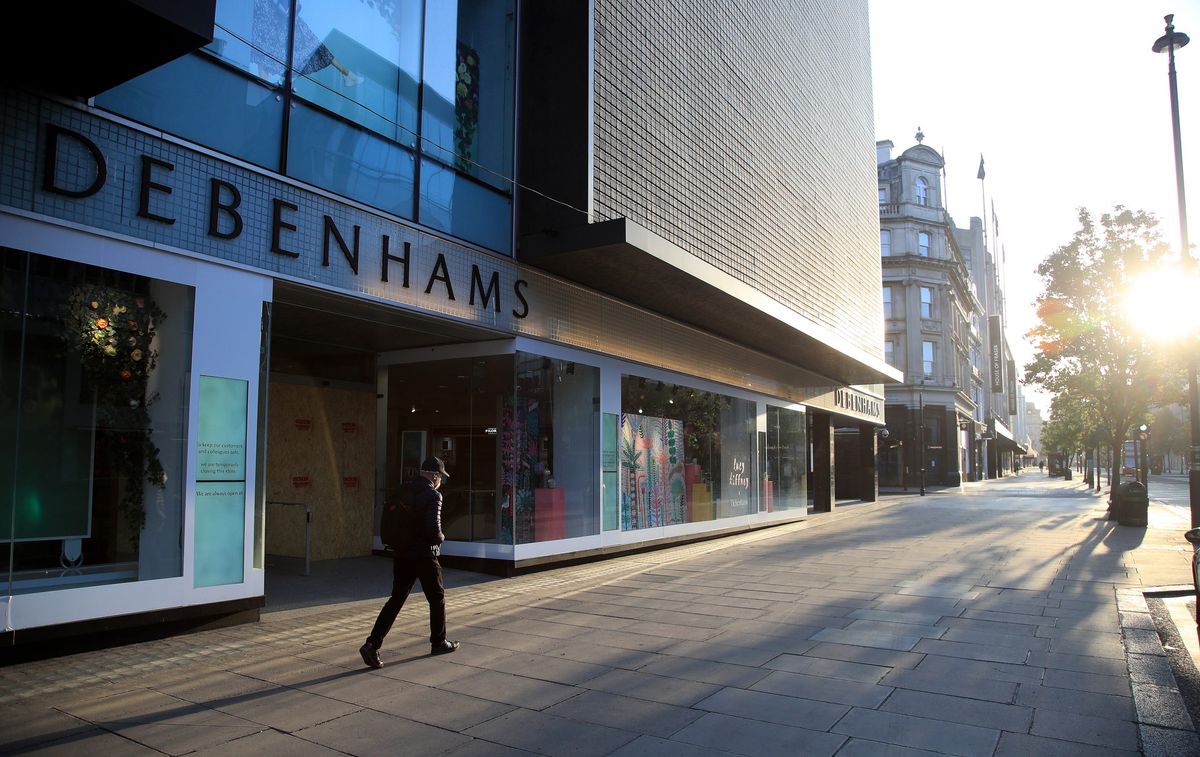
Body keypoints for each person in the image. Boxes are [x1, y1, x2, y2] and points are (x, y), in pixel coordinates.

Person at [360, 456, 459, 668]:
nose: (441, 480)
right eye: (441, 476)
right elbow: (433, 529)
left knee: (396, 600)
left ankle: (372, 644)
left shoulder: (402, 489)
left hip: (402, 553)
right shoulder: (433, 495)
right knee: (437, 598)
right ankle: (439, 641)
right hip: (424, 555)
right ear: (434, 475)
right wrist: (441, 538)